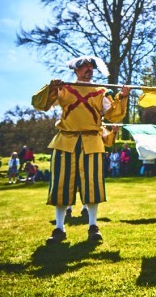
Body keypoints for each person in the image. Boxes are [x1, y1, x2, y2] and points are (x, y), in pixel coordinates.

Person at [32, 55, 129, 245]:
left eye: (91, 66)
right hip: (65, 142)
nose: (88, 69)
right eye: (84, 66)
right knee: (61, 185)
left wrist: (123, 96)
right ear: (76, 70)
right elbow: (39, 104)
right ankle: (59, 228)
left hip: (92, 142)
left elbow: (114, 114)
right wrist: (51, 88)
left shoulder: (102, 92)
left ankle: (93, 226)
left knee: (92, 185)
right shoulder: (64, 88)